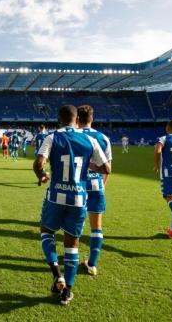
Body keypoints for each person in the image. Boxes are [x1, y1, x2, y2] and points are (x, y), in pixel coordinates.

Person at [33, 105, 111, 305]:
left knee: (46, 232)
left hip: (55, 197)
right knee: (72, 244)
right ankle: (68, 289)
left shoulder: (52, 137)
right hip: (78, 199)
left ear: (59, 120)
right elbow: (106, 168)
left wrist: (42, 176)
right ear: (76, 120)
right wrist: (88, 166)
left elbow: (38, 163)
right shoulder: (91, 140)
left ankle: (56, 274)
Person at [76, 105, 112, 276]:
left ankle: (71, 256)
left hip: (76, 186)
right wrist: (102, 185)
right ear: (92, 118)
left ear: (77, 118)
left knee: (74, 224)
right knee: (96, 228)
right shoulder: (103, 138)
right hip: (96, 185)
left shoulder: (72, 135)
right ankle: (92, 264)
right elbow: (107, 168)